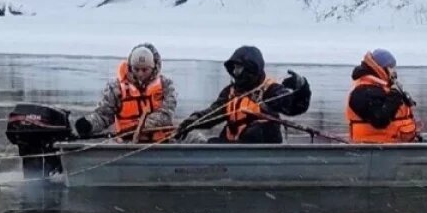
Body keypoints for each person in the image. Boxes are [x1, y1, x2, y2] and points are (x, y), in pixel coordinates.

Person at [177, 45, 310, 143]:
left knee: (256, 131)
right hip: (233, 148)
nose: (235, 72)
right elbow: (214, 113)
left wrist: (302, 88)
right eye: (234, 68)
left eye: (239, 68)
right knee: (209, 142)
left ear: (251, 69)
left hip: (263, 150)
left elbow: (295, 106)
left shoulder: (270, 90)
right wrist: (194, 120)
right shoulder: (230, 92)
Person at [74, 43, 177, 142]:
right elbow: (104, 115)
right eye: (136, 69)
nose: (140, 74)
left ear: (153, 68)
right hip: (125, 142)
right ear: (130, 67)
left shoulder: (166, 86)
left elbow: (166, 115)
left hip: (161, 141)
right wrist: (89, 124)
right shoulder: (116, 87)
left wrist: (138, 127)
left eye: (145, 70)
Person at [346, 49, 419, 143]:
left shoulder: (380, 88)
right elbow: (379, 120)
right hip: (373, 147)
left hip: (395, 143)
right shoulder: (362, 91)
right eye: (391, 67)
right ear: (381, 68)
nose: (394, 72)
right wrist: (393, 101)